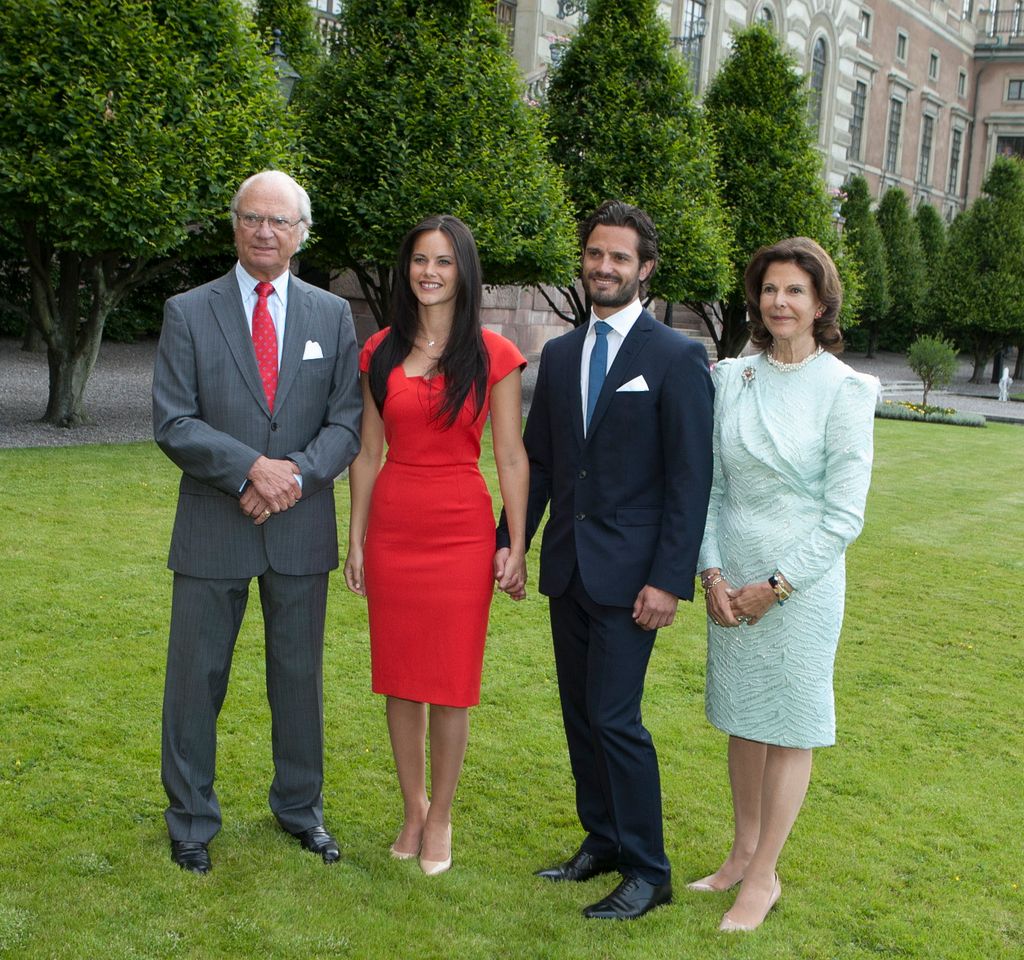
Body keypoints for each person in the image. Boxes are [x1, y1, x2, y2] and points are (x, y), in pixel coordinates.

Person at [497, 200, 714, 920]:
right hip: (569, 569)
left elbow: (691, 478)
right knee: (581, 714)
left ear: (645, 269)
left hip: (634, 578)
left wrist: (667, 580)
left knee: (617, 718)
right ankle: (605, 839)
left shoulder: (677, 357)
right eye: (595, 254)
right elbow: (541, 461)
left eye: (619, 257)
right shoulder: (560, 354)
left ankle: (650, 871)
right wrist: (513, 544)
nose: (604, 267)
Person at [152, 170, 362, 875]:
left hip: (299, 530)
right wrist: (251, 469)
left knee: (298, 678)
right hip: (214, 525)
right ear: (234, 225)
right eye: (252, 218)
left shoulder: (332, 316)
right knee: (194, 680)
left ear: (302, 232)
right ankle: (190, 820)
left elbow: (346, 423)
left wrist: (290, 477)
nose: (265, 231)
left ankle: (300, 810)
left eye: (279, 221)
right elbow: (174, 420)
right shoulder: (188, 311)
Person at [689, 237, 876, 932]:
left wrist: (777, 583)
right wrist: (711, 572)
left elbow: (843, 516)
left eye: (796, 290)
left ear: (821, 301)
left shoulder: (847, 389)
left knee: (791, 724)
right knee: (743, 717)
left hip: (800, 586)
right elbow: (708, 486)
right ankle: (740, 854)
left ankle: (763, 876)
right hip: (729, 576)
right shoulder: (731, 378)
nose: (780, 302)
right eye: (770, 289)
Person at [343, 214, 528, 877]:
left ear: (464, 271)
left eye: (444, 261)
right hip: (394, 524)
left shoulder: (493, 355)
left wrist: (516, 543)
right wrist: (356, 539)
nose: (429, 272)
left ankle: (443, 814)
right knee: (400, 680)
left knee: (450, 683)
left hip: (460, 529)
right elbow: (366, 453)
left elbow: (510, 456)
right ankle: (413, 807)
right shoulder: (381, 351)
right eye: (420, 260)